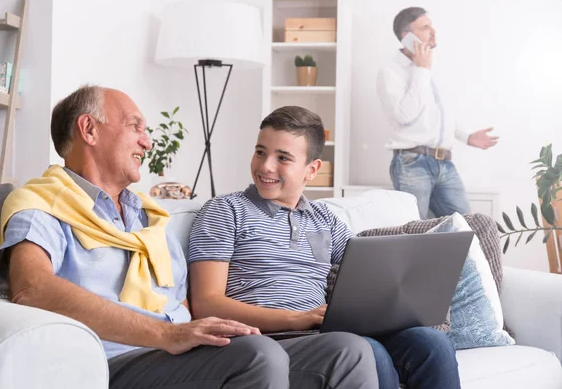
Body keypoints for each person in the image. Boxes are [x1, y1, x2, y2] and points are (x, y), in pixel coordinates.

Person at [0, 86, 378, 389]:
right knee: (257, 356)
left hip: (177, 350)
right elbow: (31, 287)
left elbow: (184, 301)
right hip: (118, 356)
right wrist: (170, 334)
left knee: (348, 351)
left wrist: (194, 328)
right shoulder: (40, 203)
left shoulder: (148, 216)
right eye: (136, 127)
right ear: (89, 129)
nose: (148, 141)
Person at [188, 105, 462, 389]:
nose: (266, 166)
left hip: (322, 333)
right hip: (265, 342)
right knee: (369, 351)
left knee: (432, 343)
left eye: (283, 158)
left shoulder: (326, 221)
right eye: (260, 152)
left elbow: (373, 274)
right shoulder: (225, 210)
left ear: (312, 170)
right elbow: (206, 303)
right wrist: (298, 319)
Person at [376, 7, 498, 219]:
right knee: (413, 232)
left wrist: (467, 136)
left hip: (445, 163)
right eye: (425, 27)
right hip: (412, 163)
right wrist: (421, 69)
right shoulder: (391, 71)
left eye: (431, 26)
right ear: (407, 37)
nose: (433, 31)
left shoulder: (434, 67)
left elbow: (441, 114)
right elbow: (405, 115)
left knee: (464, 228)